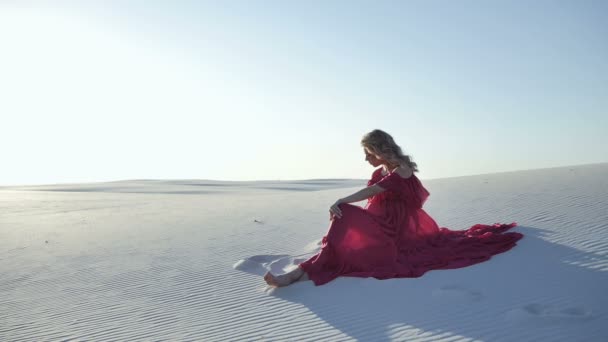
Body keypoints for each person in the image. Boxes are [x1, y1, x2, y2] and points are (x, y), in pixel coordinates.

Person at [264, 129, 523, 287]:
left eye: (368, 152)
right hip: (379, 222)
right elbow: (372, 198)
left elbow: (374, 192)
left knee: (343, 215)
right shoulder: (381, 169)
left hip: (396, 230)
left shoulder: (402, 170)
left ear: (378, 150)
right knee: (342, 225)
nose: (365, 157)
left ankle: (299, 274)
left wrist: (343, 200)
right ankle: (302, 272)